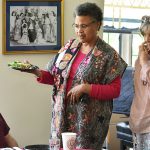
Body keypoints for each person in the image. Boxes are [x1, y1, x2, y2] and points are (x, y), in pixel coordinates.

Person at [22, 2, 127, 149]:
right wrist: (35, 71)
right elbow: (56, 78)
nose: (79, 31)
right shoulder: (69, 47)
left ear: (97, 25)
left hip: (88, 125)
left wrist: (85, 88)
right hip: (61, 120)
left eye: (84, 26)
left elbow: (115, 90)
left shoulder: (108, 55)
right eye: (76, 26)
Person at [129, 15, 150, 150]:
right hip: (139, 117)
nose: (147, 40)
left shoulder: (142, 58)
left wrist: (144, 62)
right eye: (144, 35)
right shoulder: (142, 56)